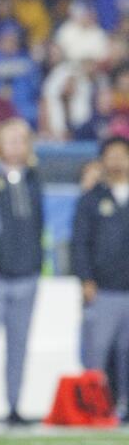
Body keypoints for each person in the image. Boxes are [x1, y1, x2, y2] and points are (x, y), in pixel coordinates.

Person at [0, 118, 44, 425]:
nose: (17, 146)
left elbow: (39, 225)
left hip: (26, 274)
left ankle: (14, 405)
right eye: (11, 139)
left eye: (22, 140)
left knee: (19, 346)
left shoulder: (33, 178)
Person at [71, 136, 129, 418]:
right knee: (98, 353)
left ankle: (124, 406)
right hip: (103, 288)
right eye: (111, 154)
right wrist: (86, 279)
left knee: (126, 353)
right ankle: (95, 408)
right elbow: (79, 243)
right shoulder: (91, 199)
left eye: (122, 154)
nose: (117, 160)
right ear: (102, 160)